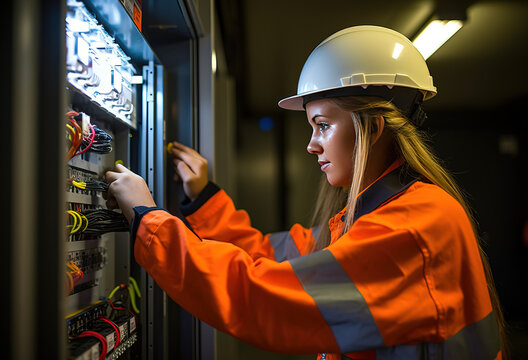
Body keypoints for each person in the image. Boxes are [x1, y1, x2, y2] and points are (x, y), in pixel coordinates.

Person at [105, 26, 505, 359]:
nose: (312, 145)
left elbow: (262, 296)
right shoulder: (368, 218)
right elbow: (266, 254)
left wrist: (149, 220)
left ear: (373, 127)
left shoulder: (414, 227)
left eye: (323, 125)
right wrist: (205, 199)